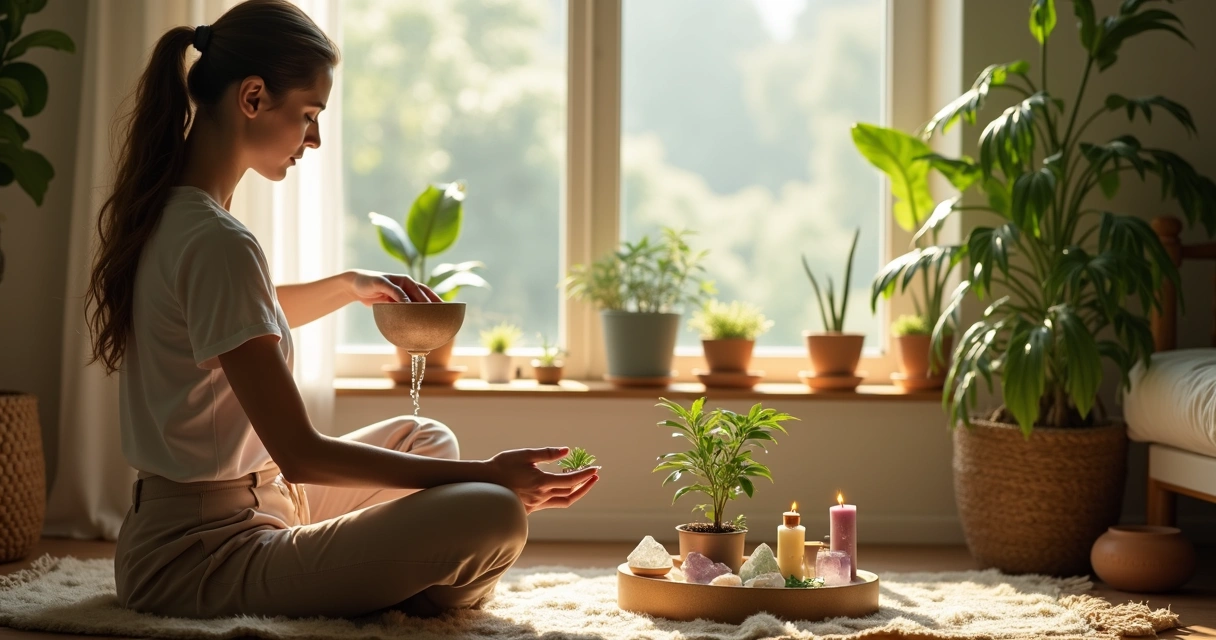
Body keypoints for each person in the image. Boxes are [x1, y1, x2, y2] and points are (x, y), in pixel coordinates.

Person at [84, 0, 598, 620]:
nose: (315, 137)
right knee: (492, 511)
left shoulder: (180, 216)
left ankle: (385, 578)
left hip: (262, 501)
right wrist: (488, 472)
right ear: (252, 98)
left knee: (424, 439)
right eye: (308, 114)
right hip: (203, 551)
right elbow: (300, 452)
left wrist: (352, 285)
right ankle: (404, 590)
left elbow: (247, 318)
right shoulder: (217, 241)